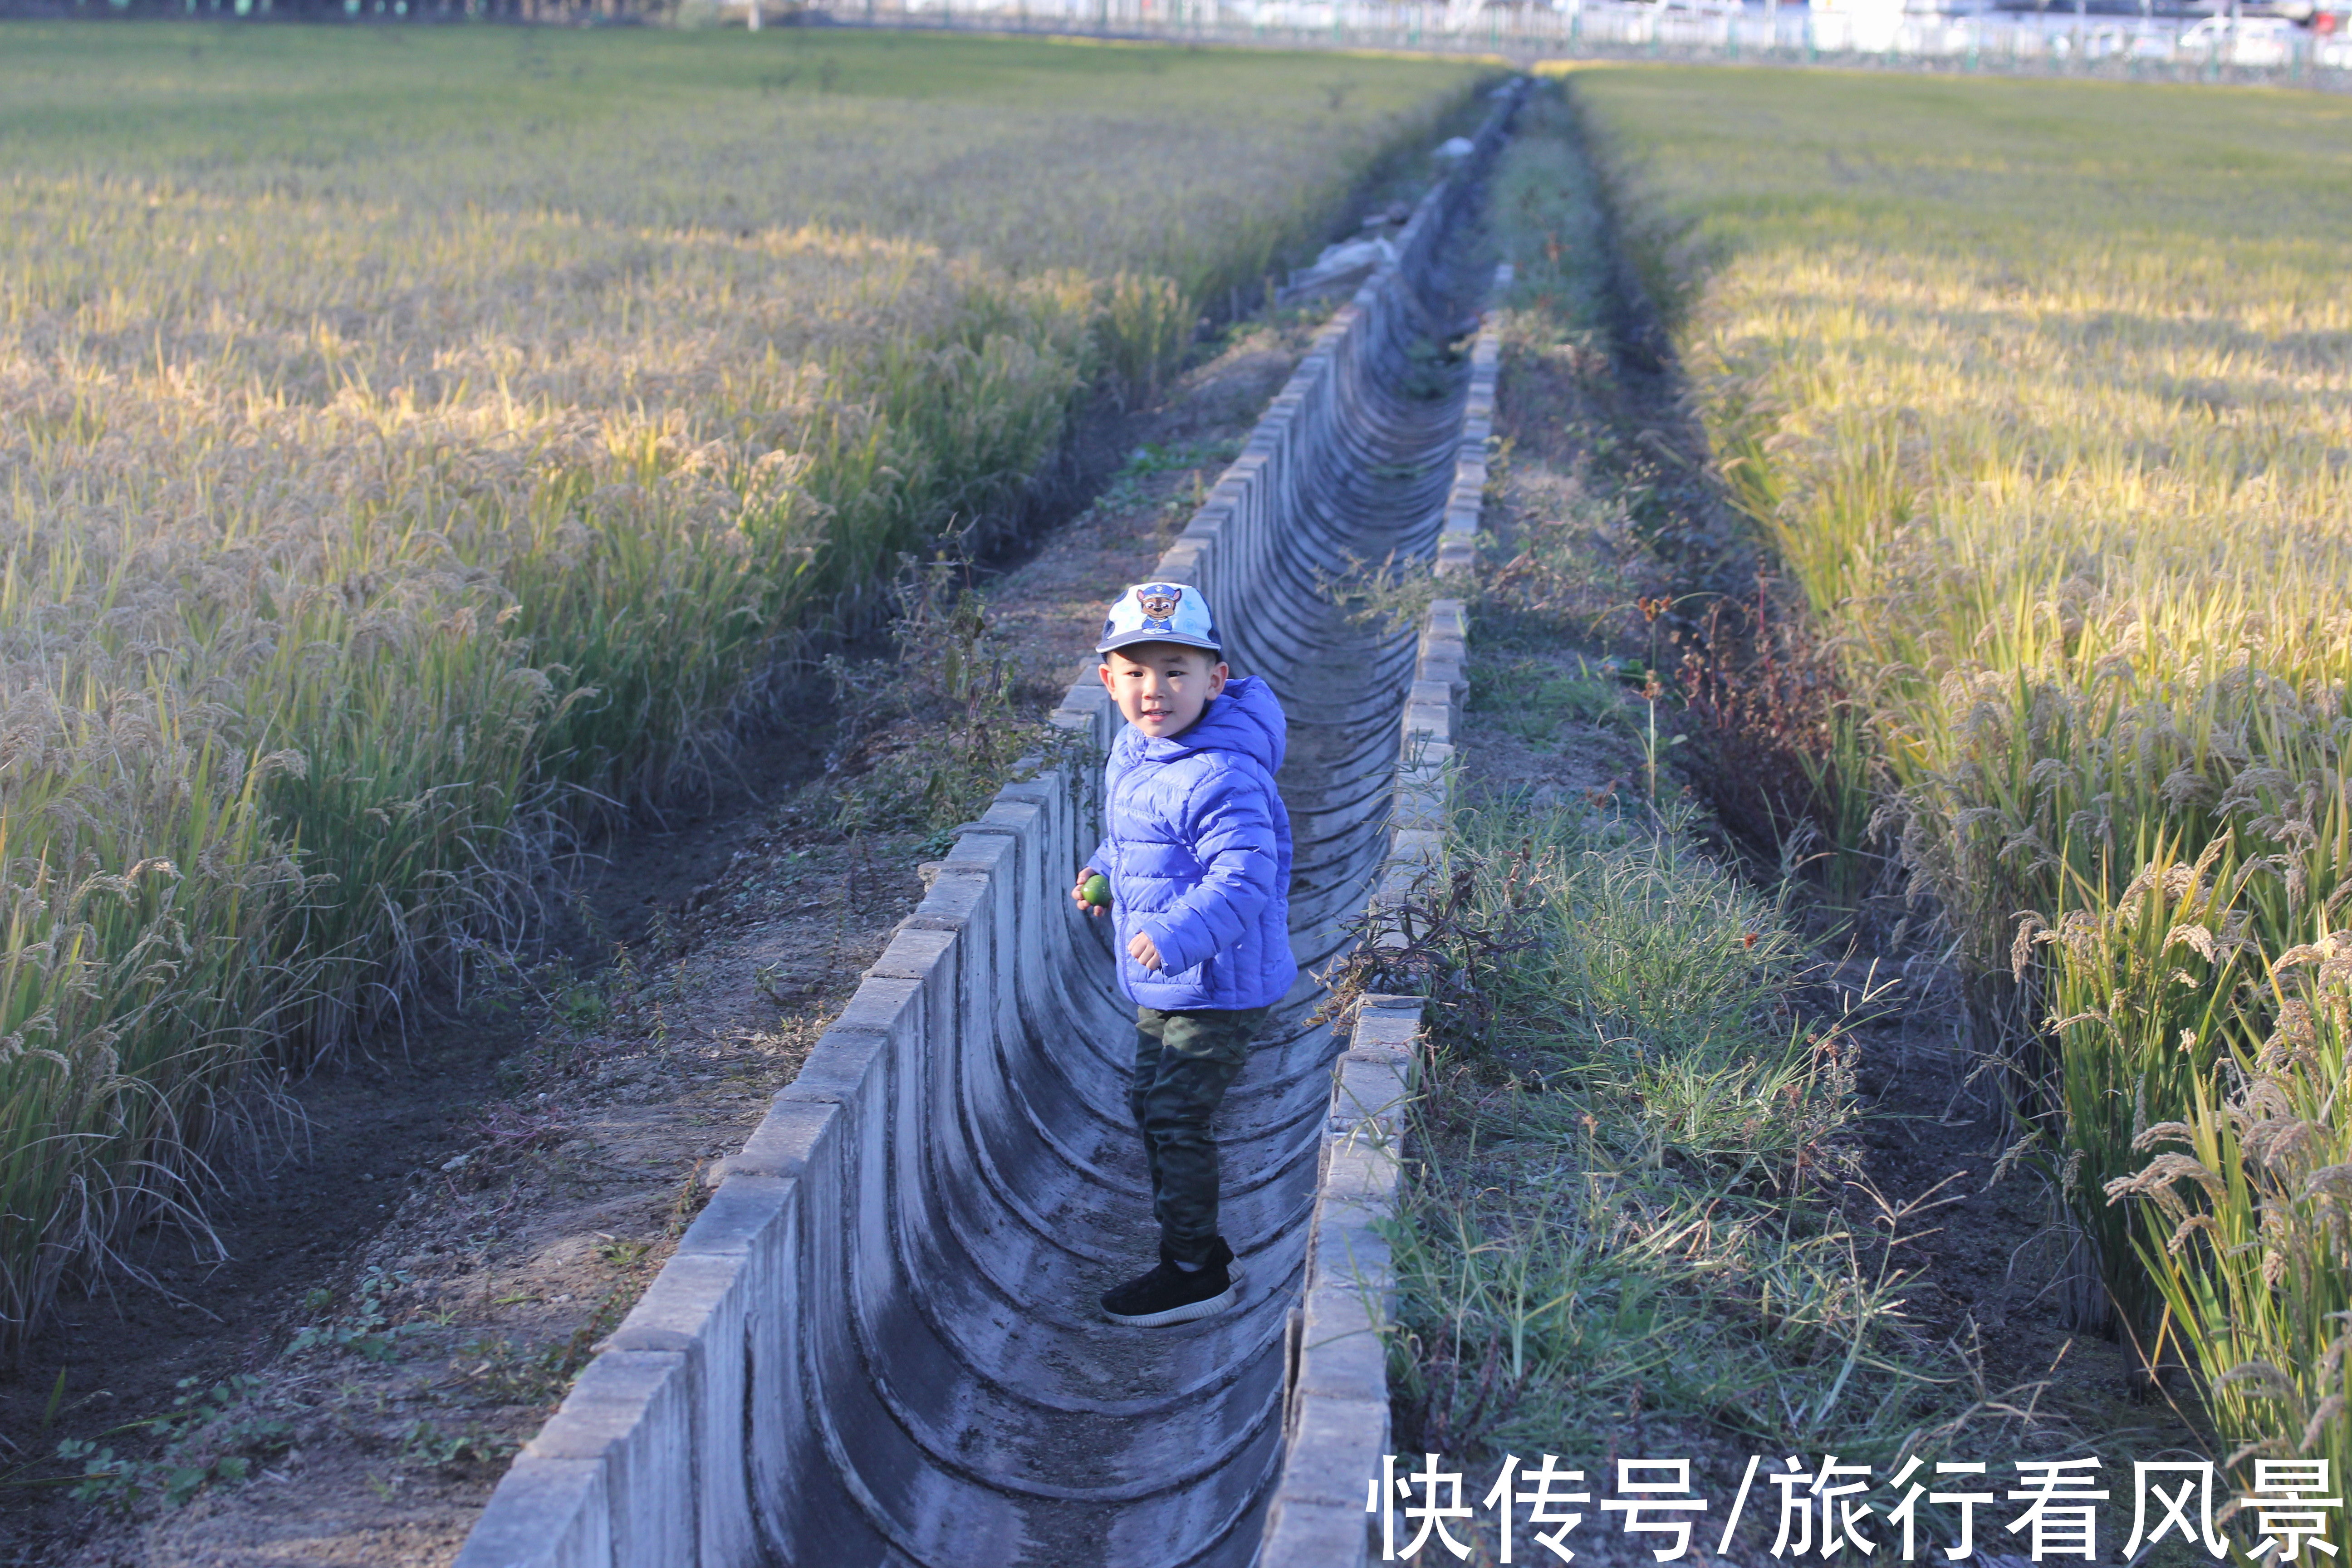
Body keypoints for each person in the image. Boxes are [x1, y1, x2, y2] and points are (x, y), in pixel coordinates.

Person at [1074, 581, 1297, 1328]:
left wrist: (1174, 934)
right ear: (1109, 681)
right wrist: (1104, 873)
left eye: (1176, 670)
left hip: (1219, 979)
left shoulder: (1221, 772)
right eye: (1136, 673)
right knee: (1150, 1104)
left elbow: (1245, 876)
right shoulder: (1140, 751)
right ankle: (1202, 1246)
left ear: (1215, 679)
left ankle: (1193, 1270)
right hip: (1170, 977)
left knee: (1174, 1112)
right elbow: (1139, 836)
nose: (1155, 690)